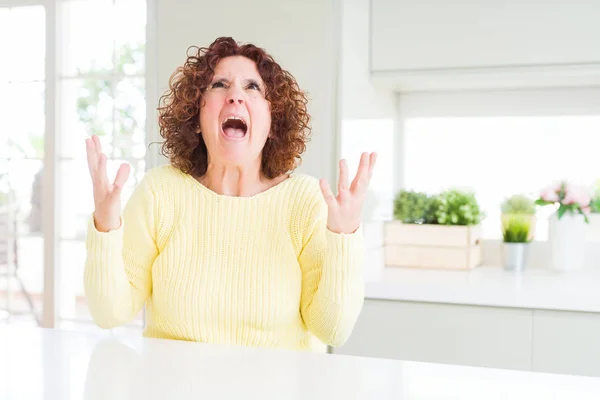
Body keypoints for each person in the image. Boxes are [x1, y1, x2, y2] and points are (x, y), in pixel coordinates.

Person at [84, 36, 376, 352]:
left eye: (252, 87)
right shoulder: (160, 192)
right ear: (196, 116)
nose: (235, 95)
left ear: (273, 122)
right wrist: (105, 224)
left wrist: (344, 236)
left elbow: (333, 330)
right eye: (220, 85)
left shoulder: (304, 201)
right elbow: (109, 312)